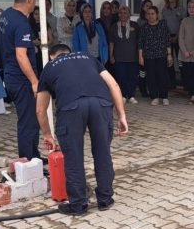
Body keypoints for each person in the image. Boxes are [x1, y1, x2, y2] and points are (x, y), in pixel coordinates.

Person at [36, 44, 128, 216]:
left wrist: (48, 135)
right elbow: (114, 85)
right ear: (70, 53)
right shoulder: (88, 58)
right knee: (102, 152)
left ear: (52, 57)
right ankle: (105, 199)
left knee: (73, 156)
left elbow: (40, 109)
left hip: (71, 108)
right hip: (101, 104)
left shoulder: (49, 67)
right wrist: (122, 115)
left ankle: (78, 204)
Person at [0, 0, 42, 160]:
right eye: (35, 0)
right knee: (27, 122)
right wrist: (34, 81)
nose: (35, 4)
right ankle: (28, 160)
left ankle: (34, 155)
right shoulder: (21, 22)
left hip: (10, 73)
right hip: (21, 79)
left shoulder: (5, 16)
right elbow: (21, 55)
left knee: (31, 119)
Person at [138, 6, 172, 106]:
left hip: (161, 55)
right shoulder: (144, 27)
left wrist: (169, 54)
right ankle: (154, 97)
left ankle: (164, 96)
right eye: (149, 14)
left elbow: (167, 41)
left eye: (153, 13)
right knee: (151, 77)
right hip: (148, 56)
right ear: (146, 15)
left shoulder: (163, 25)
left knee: (162, 76)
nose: (151, 16)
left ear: (157, 14)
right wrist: (140, 57)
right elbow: (140, 43)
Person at [110, 6, 140, 104]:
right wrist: (111, 55)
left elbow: (139, 42)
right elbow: (111, 42)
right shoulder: (114, 26)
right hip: (119, 58)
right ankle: (122, 95)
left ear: (129, 14)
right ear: (118, 14)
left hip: (133, 57)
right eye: (121, 13)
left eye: (125, 12)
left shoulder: (135, 25)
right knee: (121, 77)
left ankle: (131, 95)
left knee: (132, 77)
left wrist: (140, 55)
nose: (123, 15)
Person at [161, 0, 185, 87]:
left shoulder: (181, 9)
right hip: (167, 38)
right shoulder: (164, 10)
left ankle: (184, 82)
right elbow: (163, 24)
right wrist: (167, 36)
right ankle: (171, 83)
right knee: (169, 61)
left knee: (180, 61)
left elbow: (182, 24)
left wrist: (177, 36)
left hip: (179, 38)